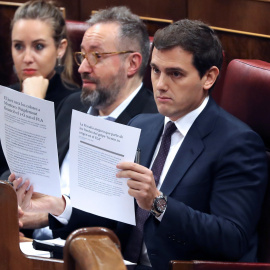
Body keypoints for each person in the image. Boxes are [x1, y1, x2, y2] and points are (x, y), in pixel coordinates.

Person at [11, 19, 267, 270]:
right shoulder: (142, 125)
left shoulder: (238, 143)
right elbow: (110, 214)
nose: (161, 84)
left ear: (208, 77)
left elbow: (233, 238)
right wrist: (60, 205)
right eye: (156, 70)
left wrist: (158, 203)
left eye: (175, 73)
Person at [7, 6, 157, 239]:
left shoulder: (153, 124)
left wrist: (49, 214)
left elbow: (121, 222)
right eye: (82, 56)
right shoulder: (73, 104)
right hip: (25, 241)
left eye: (96, 56)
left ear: (132, 63)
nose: (82, 68)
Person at [0, 0, 80, 176]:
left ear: (60, 48)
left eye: (38, 46)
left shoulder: (75, 104)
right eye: (18, 46)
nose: (27, 57)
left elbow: (35, 177)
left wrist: (32, 105)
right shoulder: (4, 97)